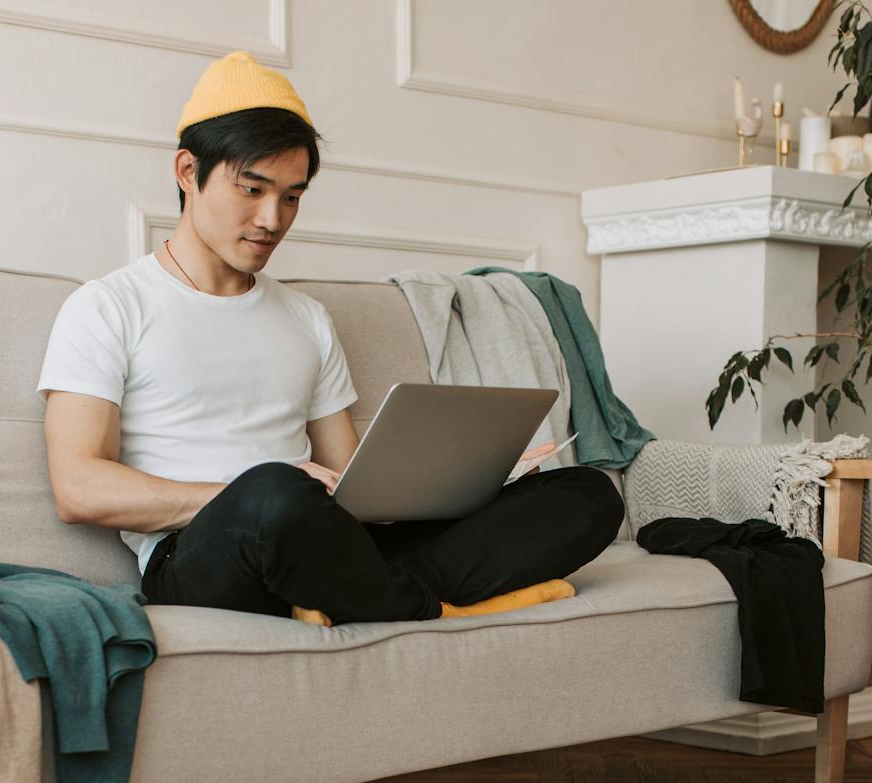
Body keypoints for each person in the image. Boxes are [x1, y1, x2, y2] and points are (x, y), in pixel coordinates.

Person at [37, 51, 624, 626]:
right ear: (188, 172)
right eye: (252, 189)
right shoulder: (107, 306)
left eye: (292, 196)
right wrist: (250, 492)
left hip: (327, 541)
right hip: (203, 554)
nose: (273, 218)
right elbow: (79, 488)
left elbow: (353, 482)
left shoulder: (306, 318)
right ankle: (420, 602)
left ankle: (363, 596)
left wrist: (469, 481)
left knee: (586, 496)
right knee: (275, 492)